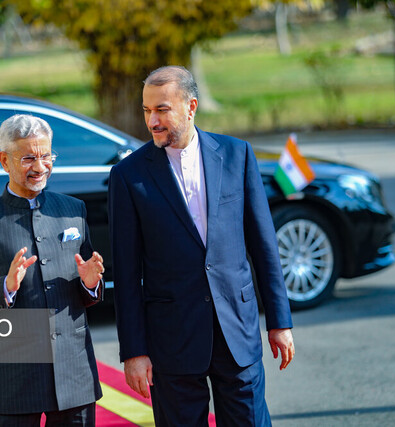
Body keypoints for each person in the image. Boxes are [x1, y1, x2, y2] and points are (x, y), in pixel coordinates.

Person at [108, 66, 294, 426]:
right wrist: (134, 351)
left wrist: (279, 321)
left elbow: (264, 245)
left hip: (237, 334)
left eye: (162, 109)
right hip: (172, 341)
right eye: (147, 111)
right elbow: (127, 273)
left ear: (191, 106)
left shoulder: (237, 155)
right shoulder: (128, 176)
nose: (153, 121)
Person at [0, 114, 104, 427]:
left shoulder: (73, 210)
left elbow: (88, 287)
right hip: (14, 381)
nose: (40, 167)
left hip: (74, 376)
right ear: (4, 161)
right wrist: (4, 287)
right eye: (28, 158)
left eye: (47, 156)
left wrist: (90, 286)